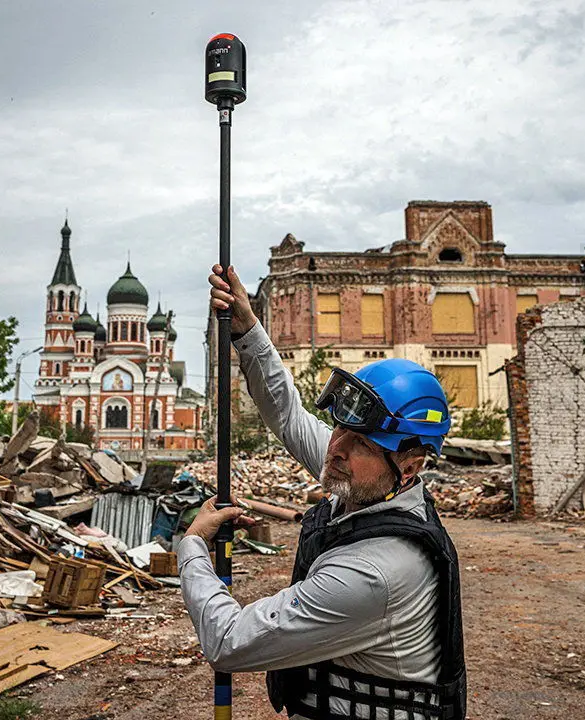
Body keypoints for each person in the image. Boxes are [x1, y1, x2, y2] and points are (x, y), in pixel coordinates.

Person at [176, 264, 467, 720]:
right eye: (338, 429)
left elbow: (228, 642)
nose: (336, 449)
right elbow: (289, 414)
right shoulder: (366, 485)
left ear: (409, 465)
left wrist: (192, 545)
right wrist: (248, 329)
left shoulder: (376, 572)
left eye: (361, 443)